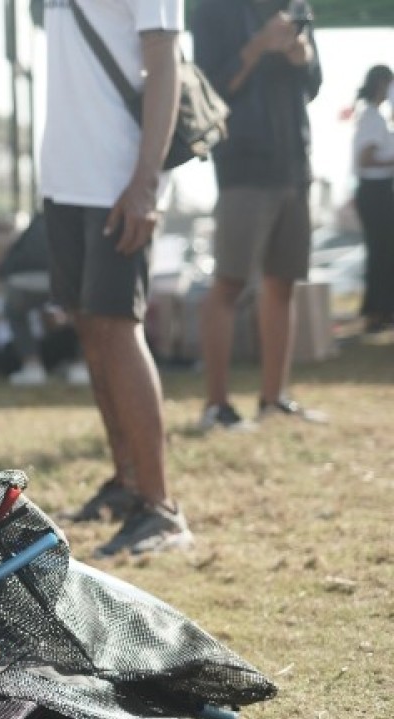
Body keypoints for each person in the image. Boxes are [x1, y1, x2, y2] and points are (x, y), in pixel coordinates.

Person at [40, 0, 192, 555]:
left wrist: (146, 183)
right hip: (63, 173)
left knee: (117, 325)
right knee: (91, 325)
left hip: (117, 175)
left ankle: (162, 509)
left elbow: (166, 63)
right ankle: (127, 483)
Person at [192, 0, 326, 430]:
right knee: (230, 283)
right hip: (243, 167)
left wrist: (300, 56)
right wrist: (259, 46)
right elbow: (207, 89)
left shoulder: (297, 7)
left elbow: (315, 84)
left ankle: (274, 399)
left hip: (294, 164)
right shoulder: (213, 11)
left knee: (282, 283)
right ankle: (217, 407)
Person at [0, 213, 89, 387]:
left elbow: (11, 257)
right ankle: (81, 366)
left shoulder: (39, 219)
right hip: (66, 278)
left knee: (15, 312)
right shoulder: (81, 217)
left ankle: (32, 366)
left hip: (23, 280)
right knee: (83, 314)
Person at [351, 65, 394, 334]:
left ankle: (382, 310)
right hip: (374, 191)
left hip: (379, 191)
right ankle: (376, 312)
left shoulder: (375, 117)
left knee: (383, 252)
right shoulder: (372, 118)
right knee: (380, 252)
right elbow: (365, 159)